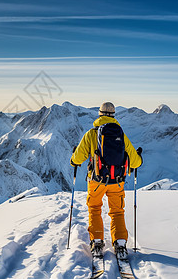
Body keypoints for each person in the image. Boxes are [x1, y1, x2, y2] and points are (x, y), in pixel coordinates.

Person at [70, 102, 142, 260]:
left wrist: (74, 159)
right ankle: (120, 243)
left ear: (99, 114)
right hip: (117, 181)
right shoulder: (120, 135)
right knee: (117, 211)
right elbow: (135, 162)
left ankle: (96, 242)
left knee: (95, 208)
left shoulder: (91, 134)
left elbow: (77, 158)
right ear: (114, 115)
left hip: (96, 181)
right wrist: (139, 157)